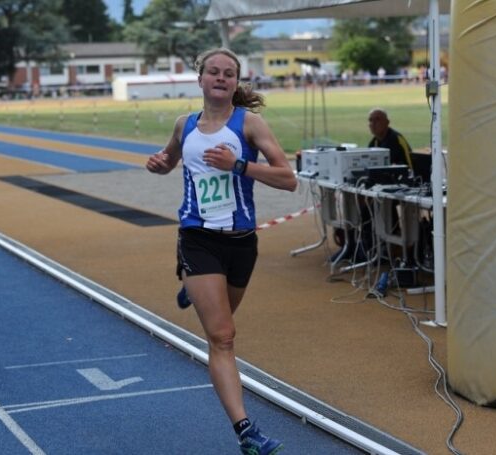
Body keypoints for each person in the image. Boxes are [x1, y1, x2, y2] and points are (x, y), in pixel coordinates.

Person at [146, 47, 297, 454]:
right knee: (223, 336)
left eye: (228, 73)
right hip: (198, 238)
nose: (220, 77)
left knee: (222, 318)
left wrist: (240, 166)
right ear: (200, 79)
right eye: (213, 71)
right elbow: (170, 159)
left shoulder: (250, 124)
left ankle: (191, 286)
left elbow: (288, 179)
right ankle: (247, 432)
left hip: (241, 243)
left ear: (235, 82)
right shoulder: (185, 125)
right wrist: (160, 164)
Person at [332, 108, 413, 264]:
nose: (373, 124)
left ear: (387, 122)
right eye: (370, 120)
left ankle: (381, 245)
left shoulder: (397, 140)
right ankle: (363, 244)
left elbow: (411, 167)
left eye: (377, 120)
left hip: (401, 189)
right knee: (359, 199)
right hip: (380, 190)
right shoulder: (374, 143)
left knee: (371, 203)